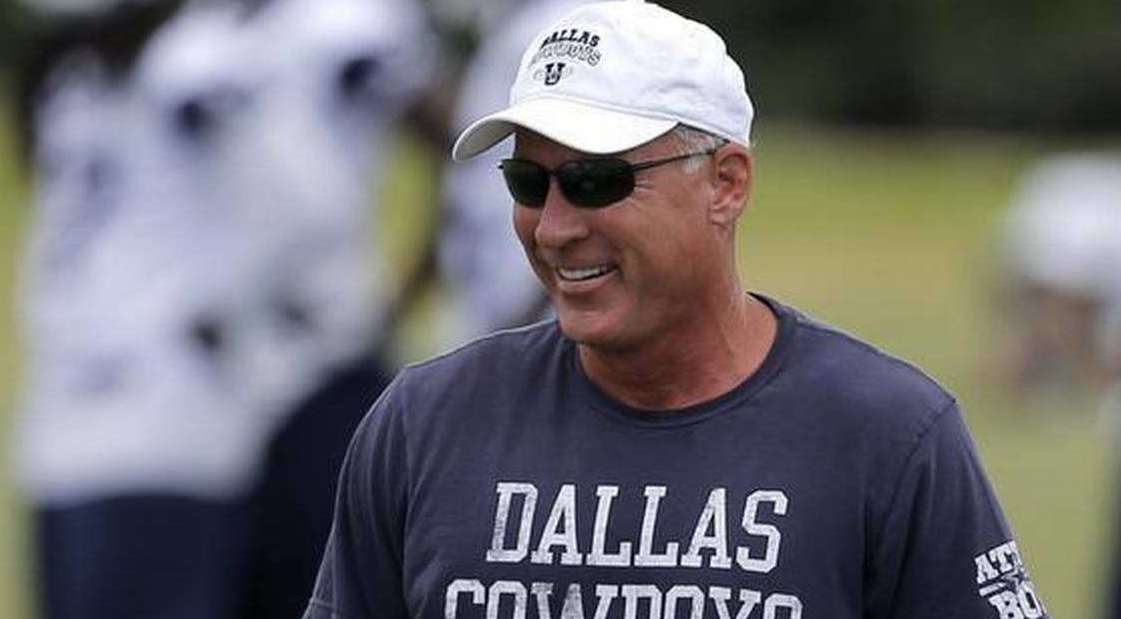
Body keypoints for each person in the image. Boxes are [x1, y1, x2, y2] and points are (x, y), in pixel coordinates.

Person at [305, 2, 1049, 617]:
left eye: (596, 181)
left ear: (725, 183)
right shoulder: (424, 421)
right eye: (529, 182)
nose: (555, 226)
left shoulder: (886, 435)